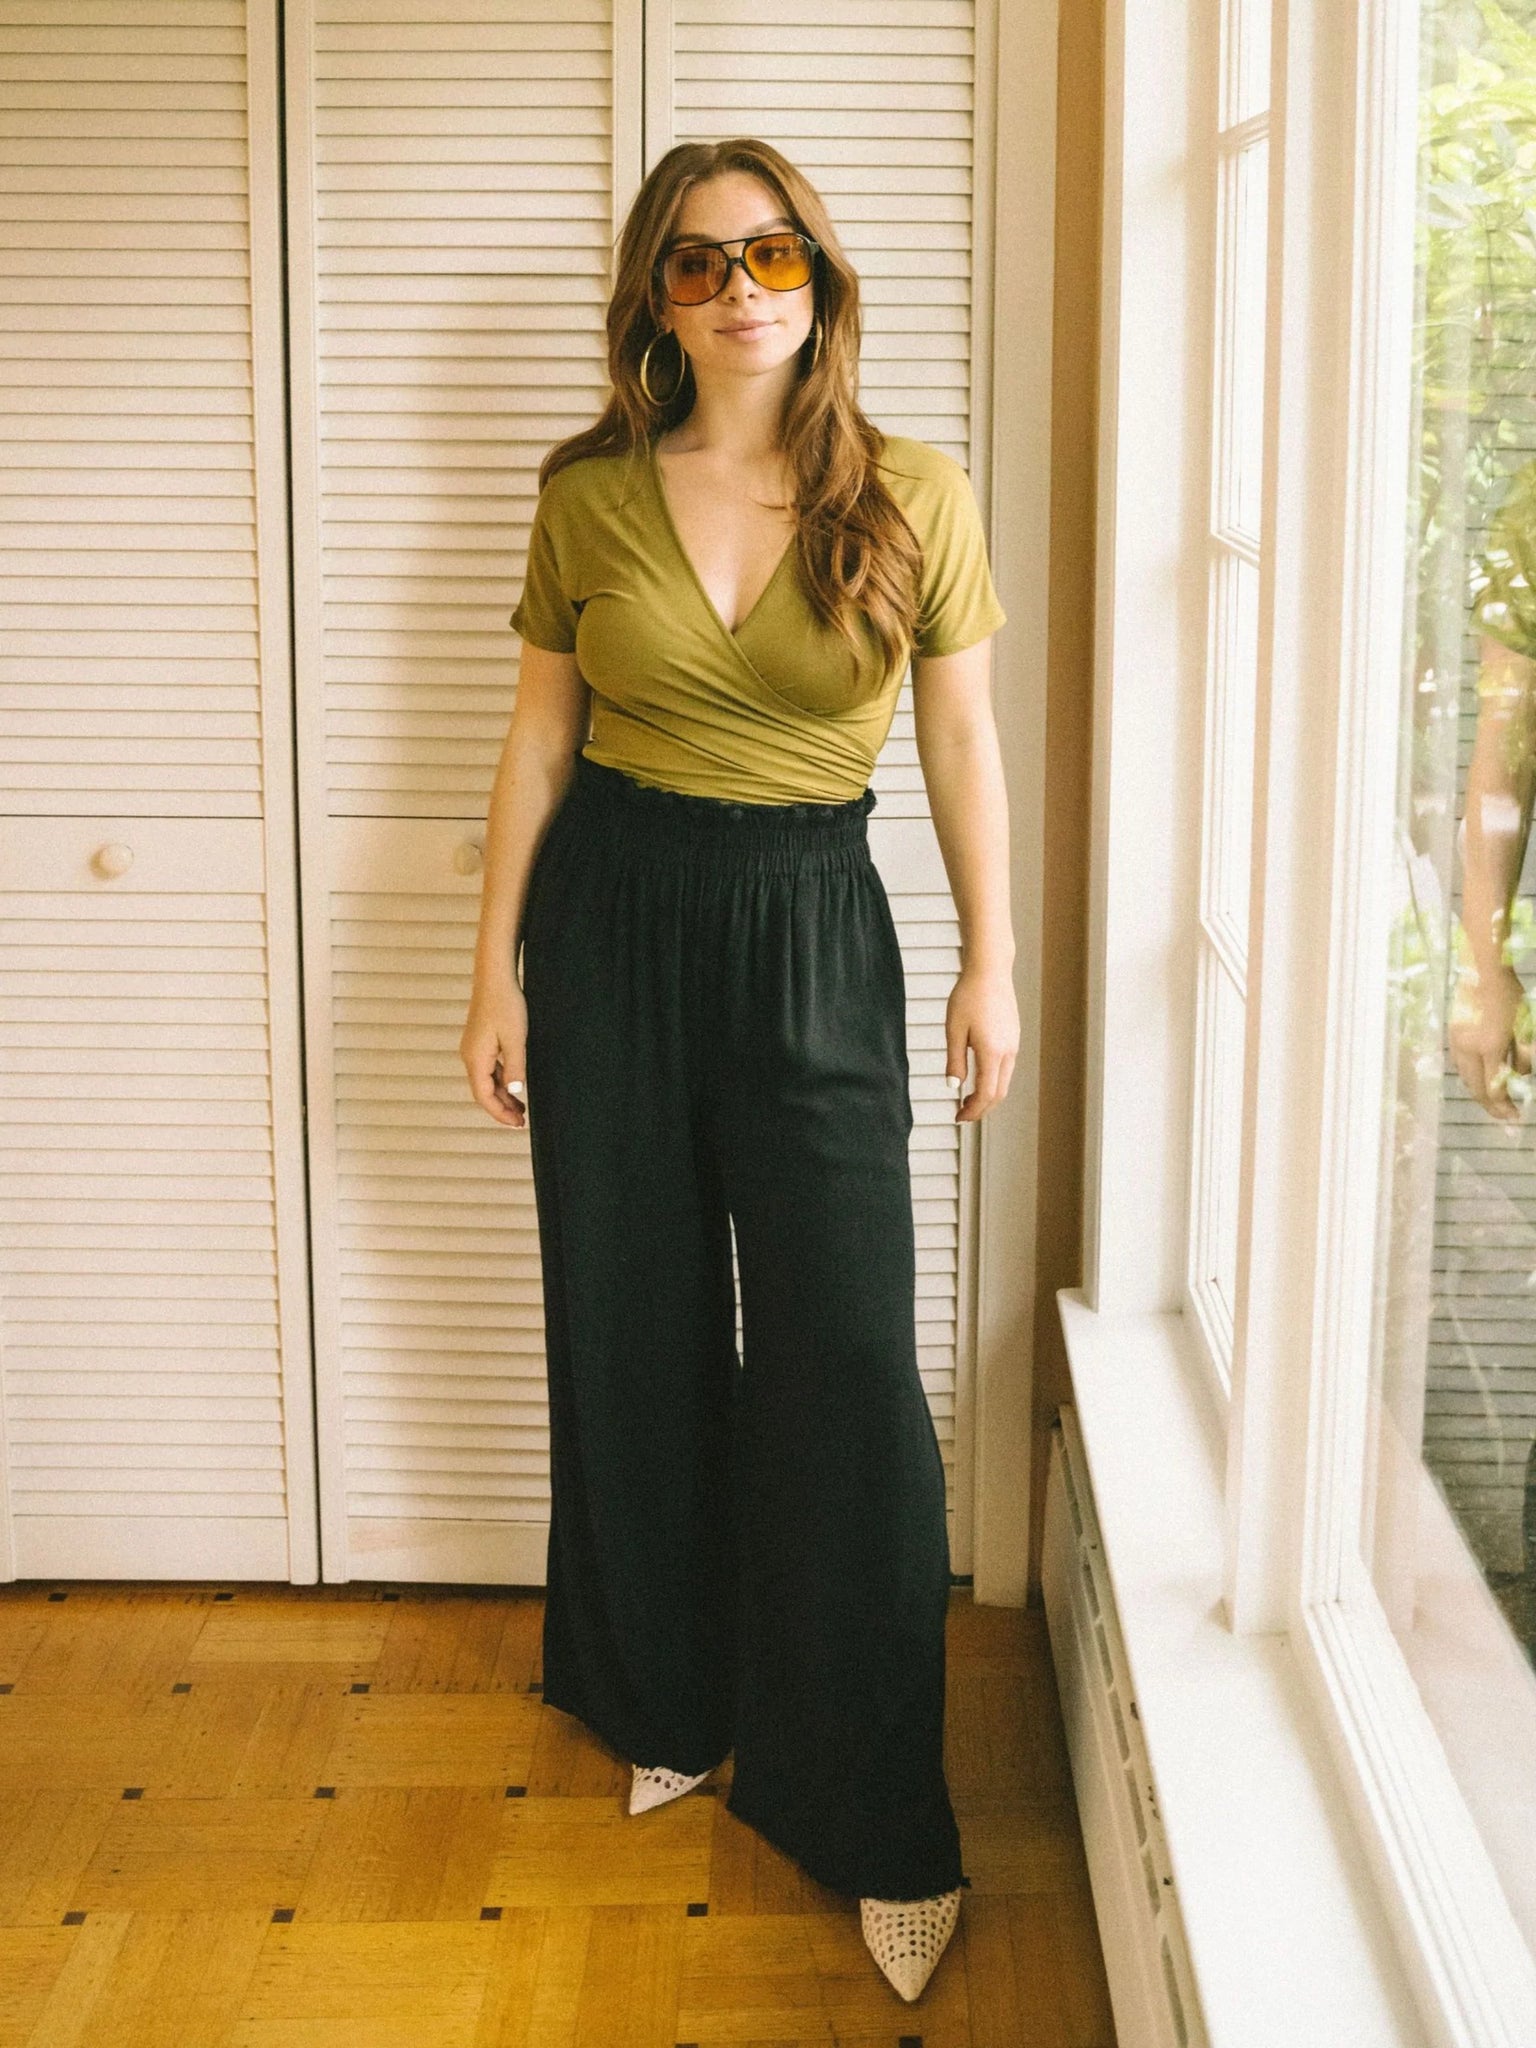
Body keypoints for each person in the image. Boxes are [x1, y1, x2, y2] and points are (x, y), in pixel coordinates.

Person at [459, 136, 1017, 2005]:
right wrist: (493, 974)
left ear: (820, 278)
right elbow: (541, 742)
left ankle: (876, 1815)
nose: (740, 287)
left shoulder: (912, 491)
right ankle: (671, 1700)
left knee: (846, 1365)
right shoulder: (588, 495)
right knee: (631, 1323)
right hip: (610, 923)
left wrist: (996, 960)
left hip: (810, 926)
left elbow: (961, 743)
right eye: (699, 261)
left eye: (772, 253)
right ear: (657, 296)